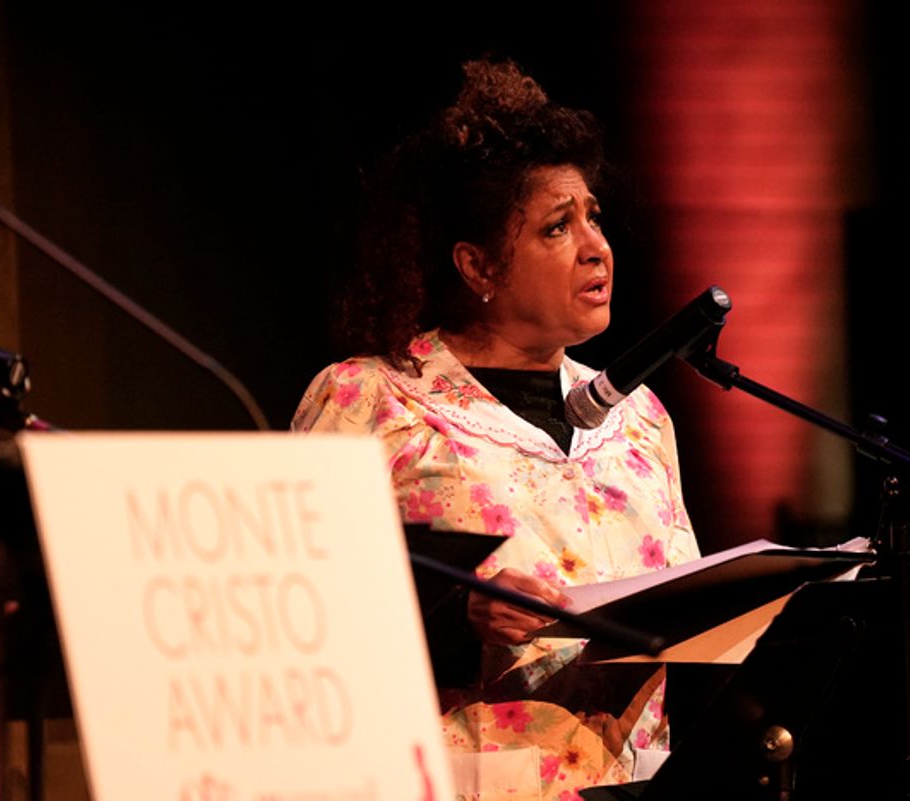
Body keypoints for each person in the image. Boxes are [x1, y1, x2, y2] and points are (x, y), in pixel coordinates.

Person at [293, 59, 699, 801]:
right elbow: (298, 617)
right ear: (478, 266)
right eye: (557, 227)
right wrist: (458, 613)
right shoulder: (370, 400)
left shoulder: (639, 418)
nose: (596, 247)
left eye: (594, 218)